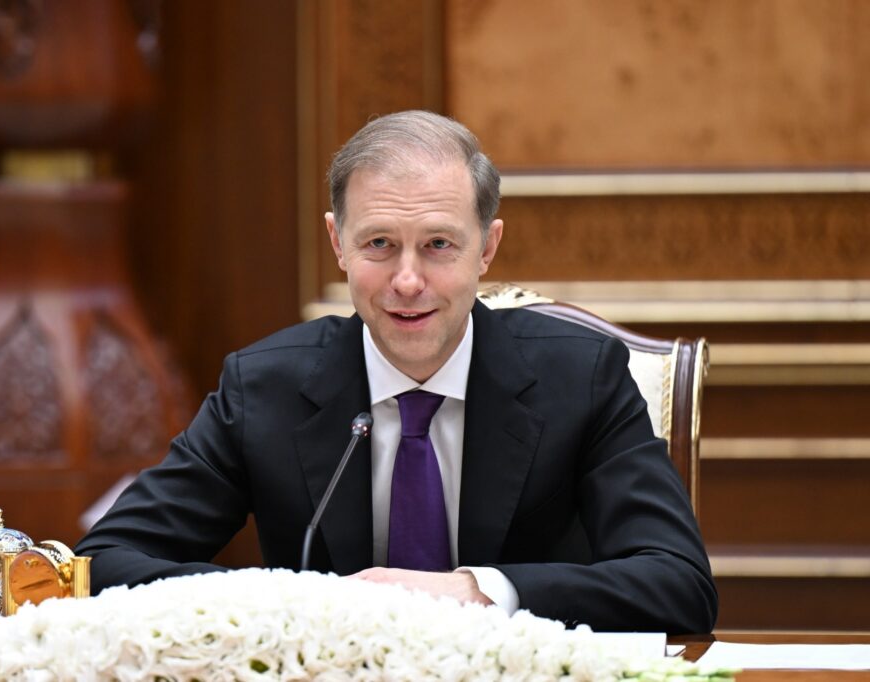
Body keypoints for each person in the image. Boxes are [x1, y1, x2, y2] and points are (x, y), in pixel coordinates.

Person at [75, 110, 717, 634]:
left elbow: (678, 584)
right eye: (379, 243)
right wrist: (294, 602)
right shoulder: (264, 387)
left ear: (487, 247)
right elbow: (101, 564)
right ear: (338, 243)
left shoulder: (582, 378)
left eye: (438, 245)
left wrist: (478, 592)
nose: (407, 281)